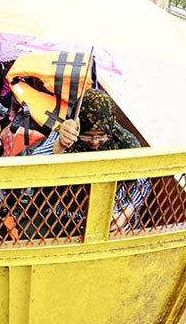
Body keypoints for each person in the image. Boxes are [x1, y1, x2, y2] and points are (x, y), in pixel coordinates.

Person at [33, 89, 151, 232]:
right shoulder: (66, 134)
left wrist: (127, 212)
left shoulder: (127, 144)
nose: (94, 142)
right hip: (66, 213)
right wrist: (59, 146)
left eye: (101, 136)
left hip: (111, 215)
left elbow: (143, 183)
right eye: (87, 136)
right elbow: (34, 164)